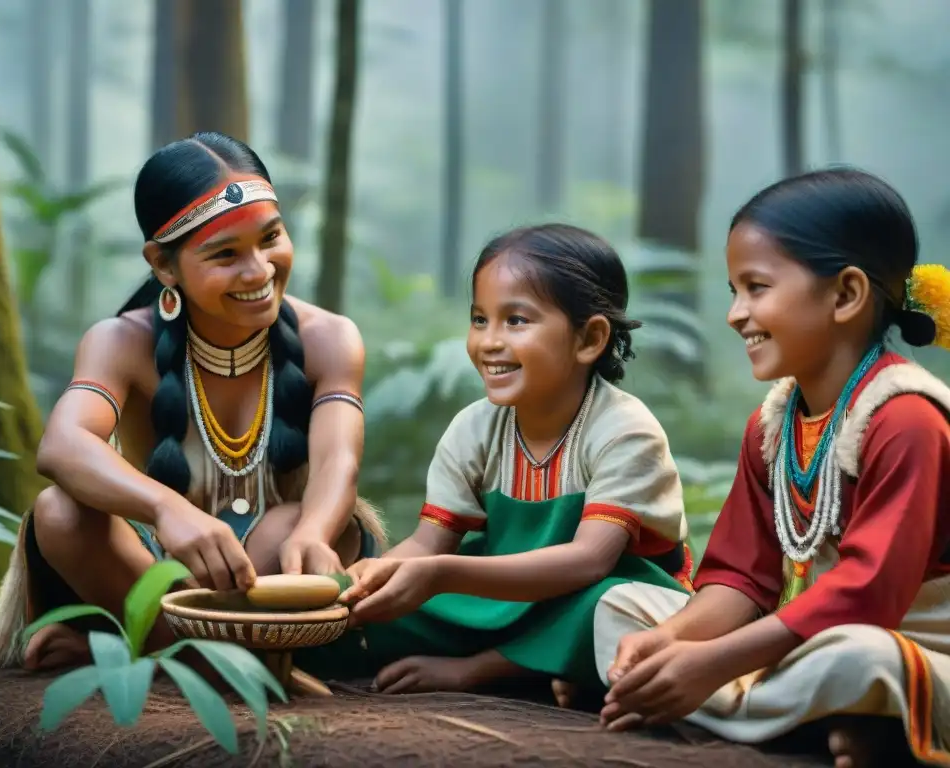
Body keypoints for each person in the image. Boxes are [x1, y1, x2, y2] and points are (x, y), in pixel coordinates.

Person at [0, 131, 386, 677]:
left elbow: (338, 461)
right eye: (226, 254)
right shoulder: (119, 341)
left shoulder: (330, 337)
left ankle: (153, 656)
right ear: (164, 266)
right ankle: (230, 665)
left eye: (271, 238)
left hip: (277, 566)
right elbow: (62, 445)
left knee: (290, 525)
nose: (259, 271)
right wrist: (170, 512)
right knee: (59, 512)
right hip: (149, 568)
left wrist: (314, 533)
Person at [591, 168, 950, 768]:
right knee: (620, 608)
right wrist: (671, 642)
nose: (736, 314)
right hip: (801, 642)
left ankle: (733, 704)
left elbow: (866, 598)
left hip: (904, 647)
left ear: (845, 295)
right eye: (735, 290)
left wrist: (712, 663)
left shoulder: (909, 420)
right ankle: (810, 720)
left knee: (863, 660)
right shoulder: (773, 425)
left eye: (756, 287)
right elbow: (741, 579)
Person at [294, 223, 693, 696]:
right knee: (355, 613)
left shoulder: (625, 430)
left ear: (589, 339)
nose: (489, 342)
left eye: (516, 321)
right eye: (480, 319)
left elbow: (588, 562)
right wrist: (372, 581)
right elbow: (428, 547)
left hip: (593, 596)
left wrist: (440, 575)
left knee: (606, 607)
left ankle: (488, 669)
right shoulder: (474, 427)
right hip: (500, 600)